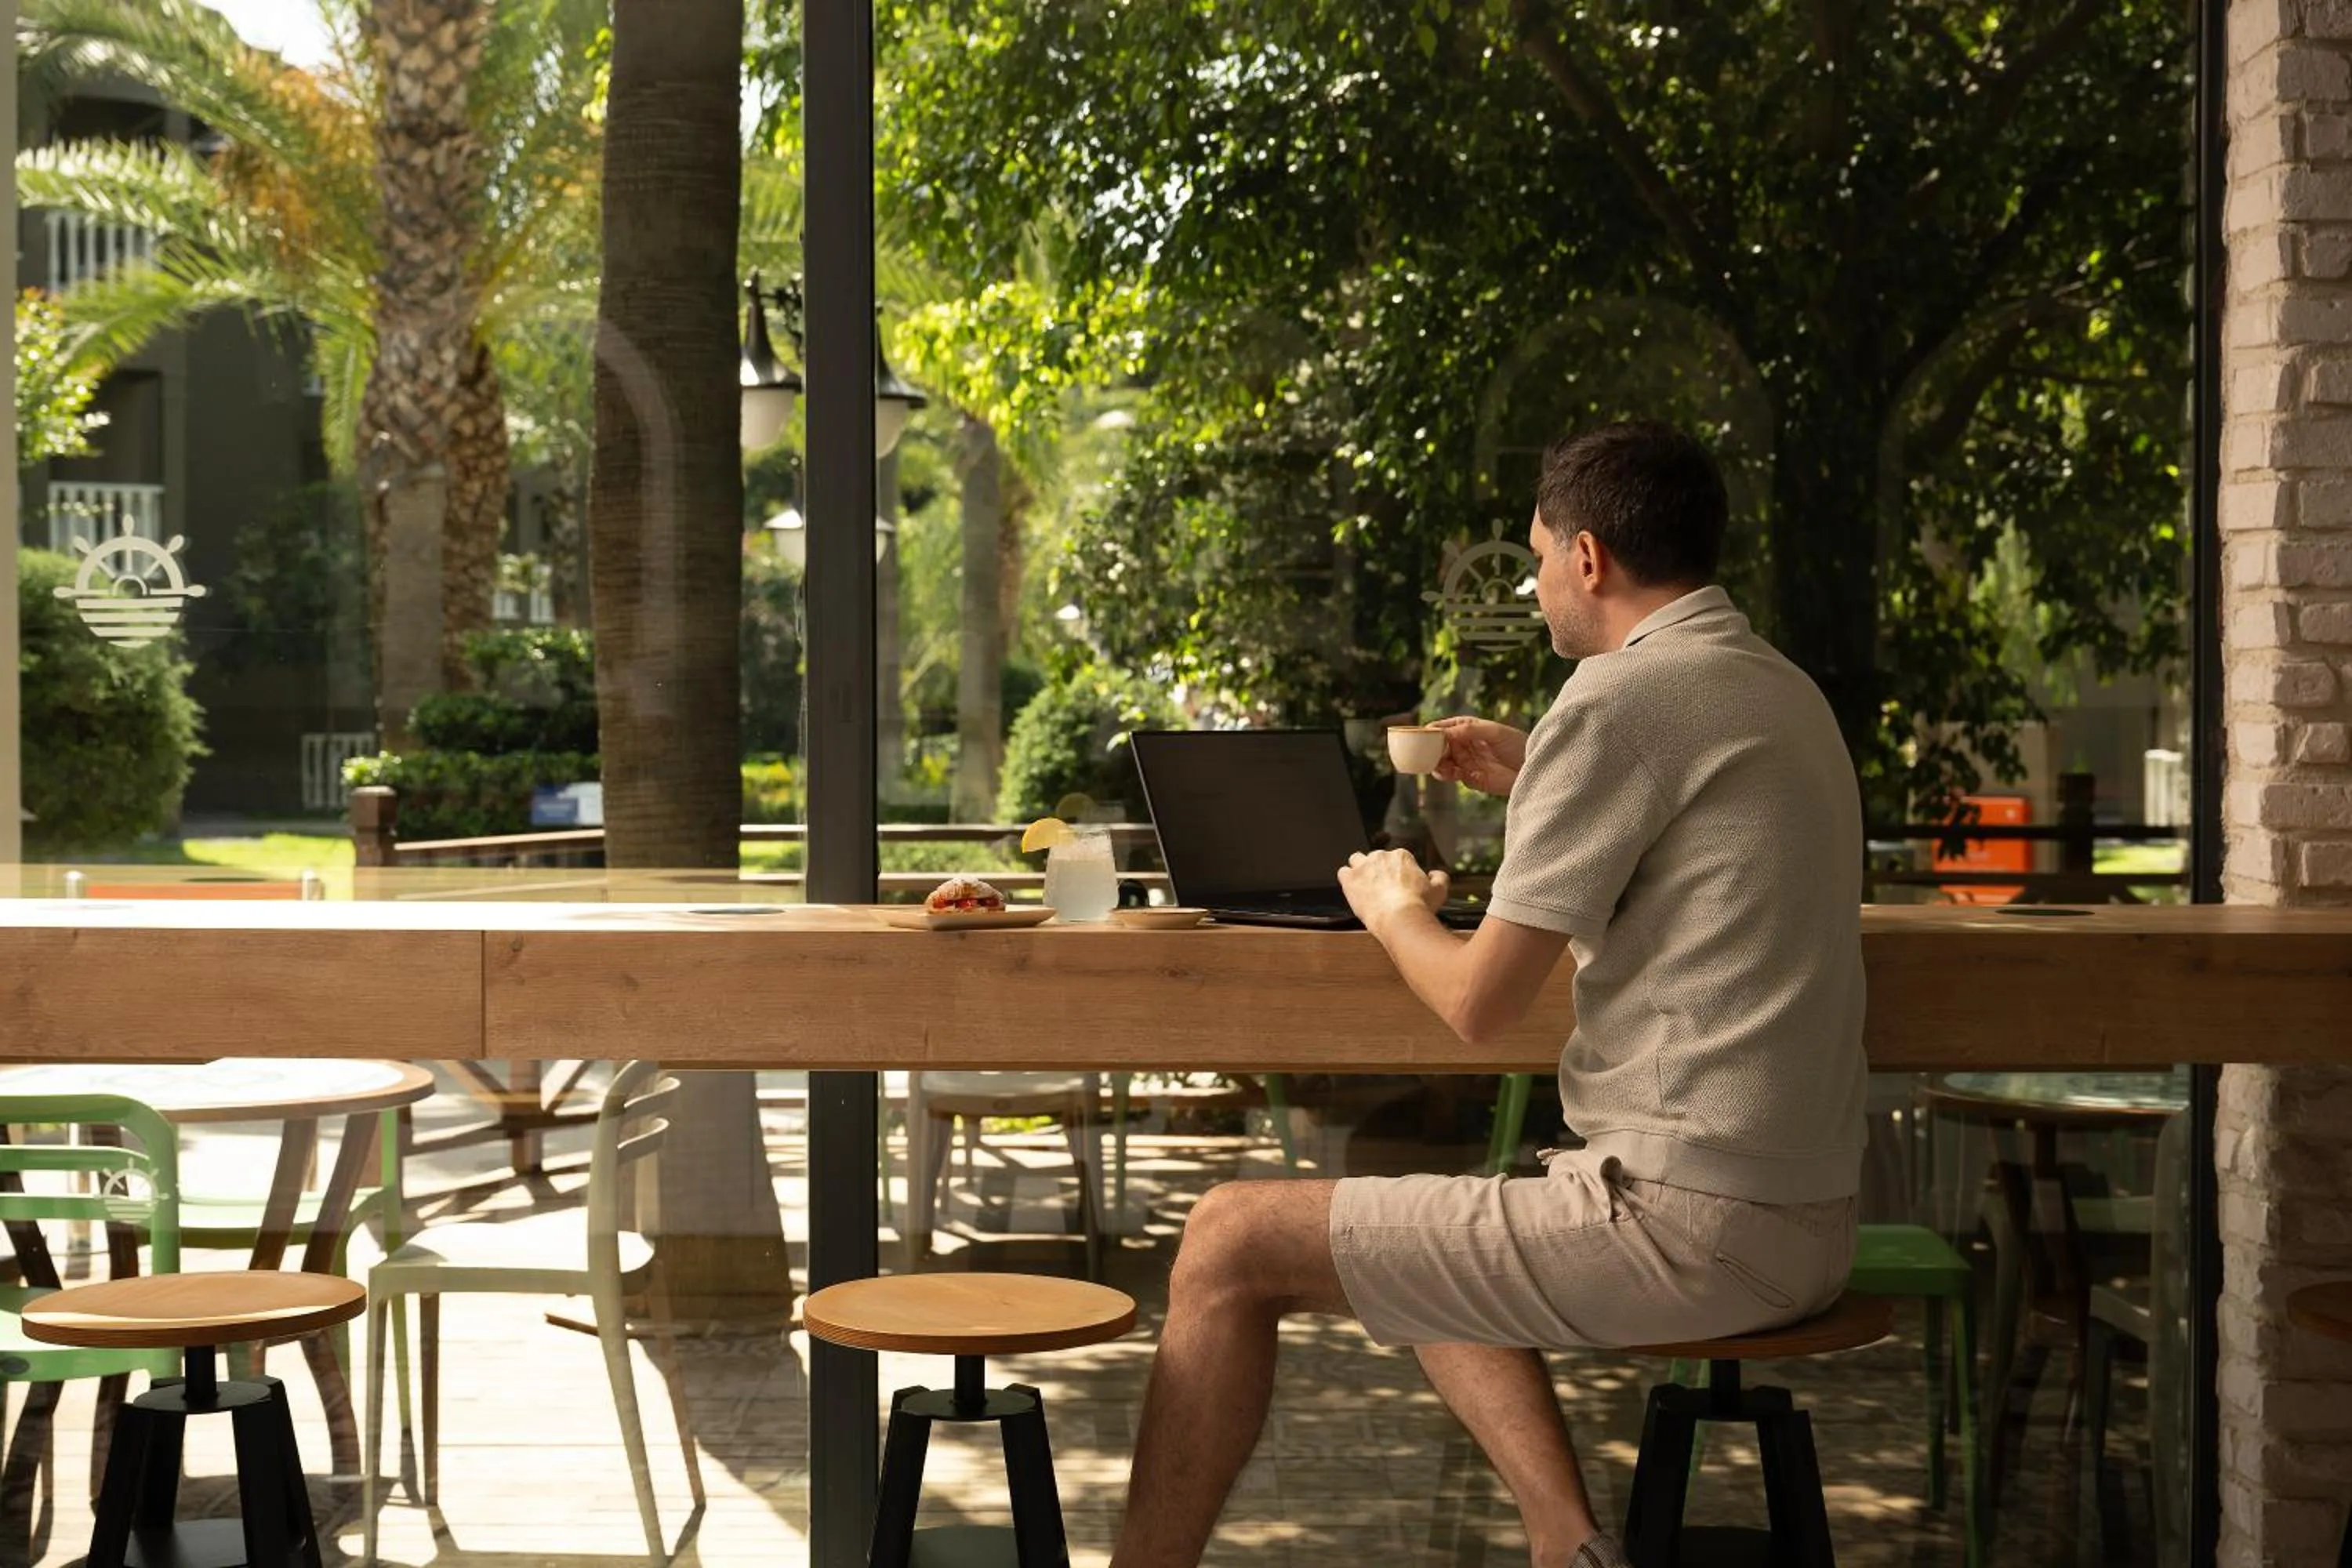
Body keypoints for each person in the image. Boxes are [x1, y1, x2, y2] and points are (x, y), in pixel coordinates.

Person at [1109, 421, 1868, 1568]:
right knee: (1421, 1226)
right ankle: (1570, 1547)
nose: (1535, 582)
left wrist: (1391, 907)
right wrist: (1538, 774)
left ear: (1589, 558)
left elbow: (1478, 1004)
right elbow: (1693, 848)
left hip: (1688, 1226)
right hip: (1809, 1219)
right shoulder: (1775, 687)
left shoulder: (1618, 698)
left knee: (1226, 1236)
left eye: (1540, 556)